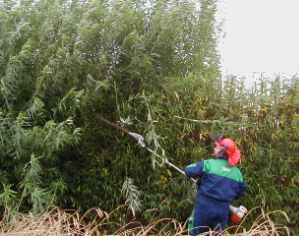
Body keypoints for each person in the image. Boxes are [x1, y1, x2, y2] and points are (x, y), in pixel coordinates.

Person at [185, 136, 246, 235]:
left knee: (195, 233)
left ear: (221, 151)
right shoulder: (237, 174)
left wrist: (201, 180)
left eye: (217, 147)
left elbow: (188, 170)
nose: (214, 148)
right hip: (222, 212)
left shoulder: (208, 164)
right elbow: (240, 193)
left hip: (203, 209)